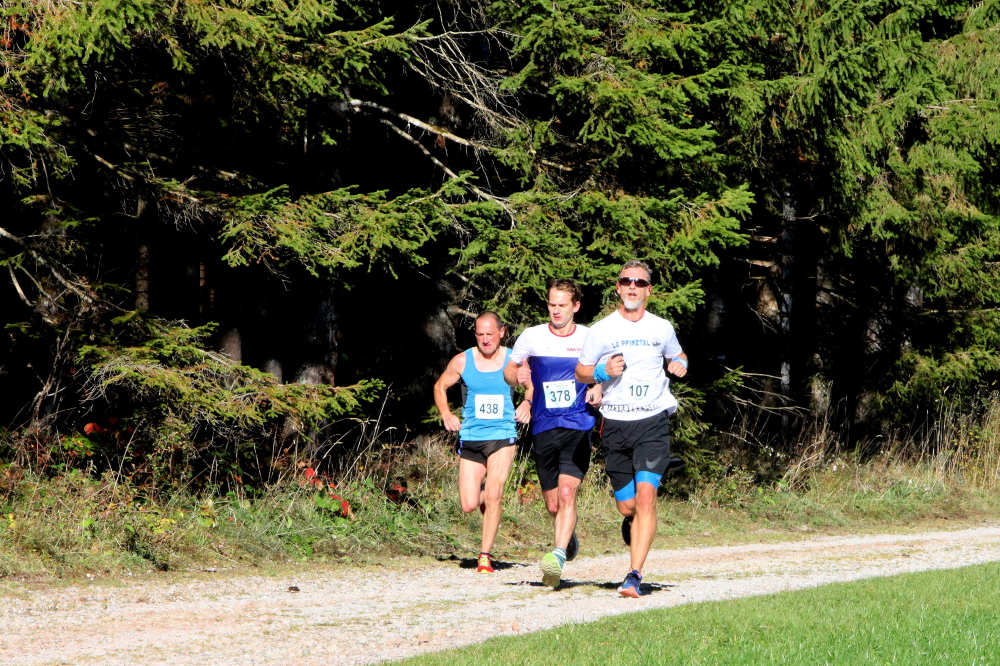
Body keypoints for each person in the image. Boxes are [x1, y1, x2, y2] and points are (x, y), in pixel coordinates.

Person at [575, 260, 688, 598]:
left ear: (648, 290)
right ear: (618, 288)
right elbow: (581, 371)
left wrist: (680, 363)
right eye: (626, 281)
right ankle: (633, 521)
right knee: (628, 507)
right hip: (615, 424)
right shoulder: (601, 330)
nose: (632, 287)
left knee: (647, 496)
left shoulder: (661, 327)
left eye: (639, 282)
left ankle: (634, 574)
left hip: (653, 421)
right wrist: (602, 372)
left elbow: (678, 354)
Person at [504, 278, 601, 588]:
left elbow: (605, 373)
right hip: (544, 425)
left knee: (567, 492)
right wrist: (517, 376)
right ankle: (567, 538)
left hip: (578, 423)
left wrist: (599, 387)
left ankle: (557, 556)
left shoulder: (589, 337)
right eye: (551, 304)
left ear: (576, 306)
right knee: (552, 505)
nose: (556, 310)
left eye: (562, 305)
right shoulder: (532, 336)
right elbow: (509, 371)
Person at [433, 311, 518, 574]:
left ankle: (484, 556)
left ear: (501, 332)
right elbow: (439, 386)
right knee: (469, 504)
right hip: (472, 437)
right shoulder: (462, 360)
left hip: (503, 435)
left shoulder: (513, 360)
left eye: (490, 334)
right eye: (480, 334)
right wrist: (446, 414)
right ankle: (490, 497)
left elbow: (533, 385)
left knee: (493, 494)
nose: (485, 339)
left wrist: (527, 403)